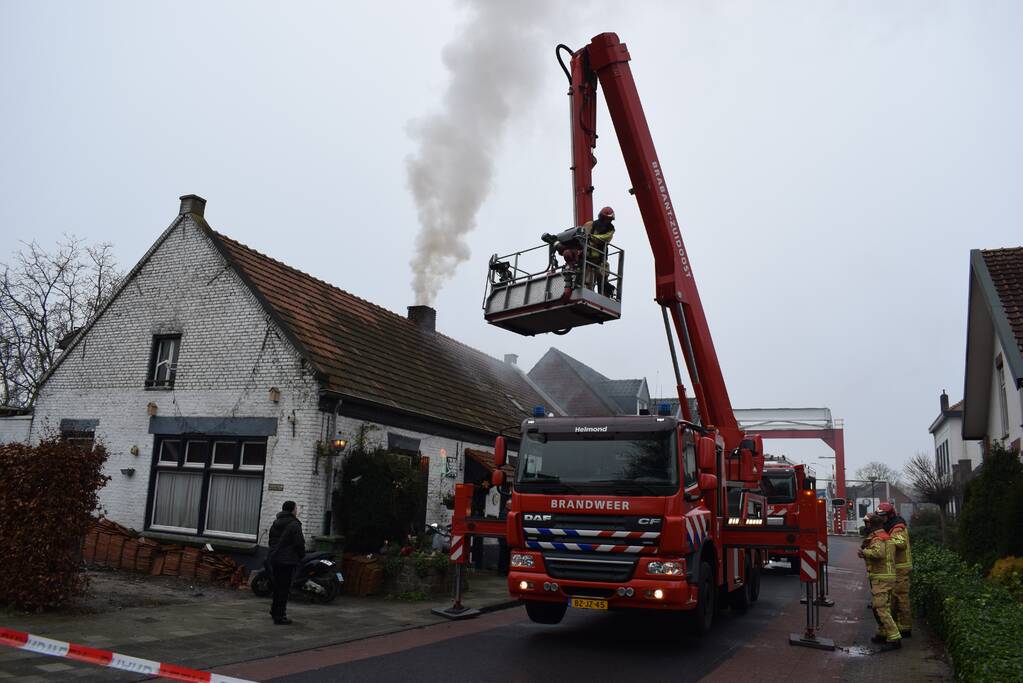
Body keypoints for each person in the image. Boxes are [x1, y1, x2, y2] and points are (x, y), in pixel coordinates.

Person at [857, 513, 901, 650]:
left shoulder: (877, 539)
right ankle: (882, 633)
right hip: (886, 576)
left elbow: (878, 554)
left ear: (870, 524)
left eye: (867, 523)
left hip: (881, 577)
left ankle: (894, 639)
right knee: (884, 607)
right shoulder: (885, 536)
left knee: (880, 608)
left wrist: (864, 552)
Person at [877, 501, 913, 636]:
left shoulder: (897, 527)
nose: (881, 519)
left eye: (883, 516)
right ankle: (899, 625)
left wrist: (885, 540)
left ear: (890, 515)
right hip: (896, 568)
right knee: (894, 598)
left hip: (900, 568)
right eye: (879, 516)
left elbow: (901, 543)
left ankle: (905, 628)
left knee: (901, 598)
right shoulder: (890, 525)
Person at [267, 500, 305, 625]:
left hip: (275, 558)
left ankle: (274, 610)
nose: (297, 511)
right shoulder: (294, 524)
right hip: (287, 560)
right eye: (296, 509)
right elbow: (299, 543)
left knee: (277, 587)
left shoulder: (276, 523)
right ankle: (280, 616)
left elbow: (271, 540)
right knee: (284, 588)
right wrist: (301, 556)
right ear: (292, 510)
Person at [582, 206, 616, 295]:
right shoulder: (590, 225)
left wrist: (592, 237)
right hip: (588, 259)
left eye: (610, 219)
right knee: (587, 281)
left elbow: (605, 238)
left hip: (600, 260)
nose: (608, 221)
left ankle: (605, 295)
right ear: (602, 217)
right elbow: (582, 235)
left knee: (604, 275)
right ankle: (587, 295)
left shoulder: (610, 230)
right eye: (607, 219)